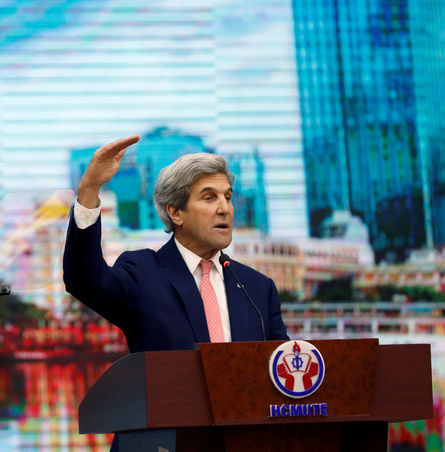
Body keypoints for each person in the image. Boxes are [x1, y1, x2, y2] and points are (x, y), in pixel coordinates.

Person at [63, 135, 289, 354]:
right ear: (175, 212)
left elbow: (282, 372)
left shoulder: (257, 288)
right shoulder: (142, 274)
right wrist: (90, 187)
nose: (225, 209)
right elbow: (84, 280)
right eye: (209, 198)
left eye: (228, 198)